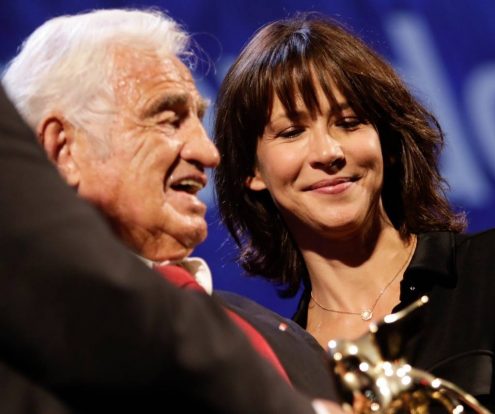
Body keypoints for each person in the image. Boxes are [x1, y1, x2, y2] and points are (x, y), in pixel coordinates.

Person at [213, 14, 495, 413]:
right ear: (252, 171)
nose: (328, 152)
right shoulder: (282, 363)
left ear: (386, 143)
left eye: (349, 122)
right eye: (291, 132)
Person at [1, 9, 342, 413]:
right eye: (168, 119)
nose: (208, 153)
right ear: (63, 149)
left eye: (199, 120)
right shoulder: (22, 346)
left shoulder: (286, 339)